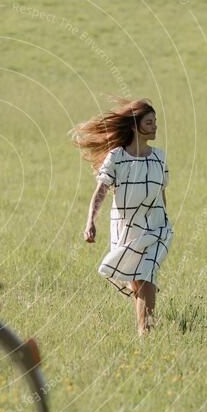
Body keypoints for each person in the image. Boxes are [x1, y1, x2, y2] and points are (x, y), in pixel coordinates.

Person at [70, 98, 173, 336]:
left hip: (157, 228)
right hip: (126, 228)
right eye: (150, 122)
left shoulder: (160, 158)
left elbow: (162, 194)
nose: (156, 126)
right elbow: (101, 192)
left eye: (156, 121)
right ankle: (145, 319)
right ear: (136, 127)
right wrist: (90, 221)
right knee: (137, 281)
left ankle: (145, 333)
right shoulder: (117, 157)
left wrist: (165, 222)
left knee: (147, 275)